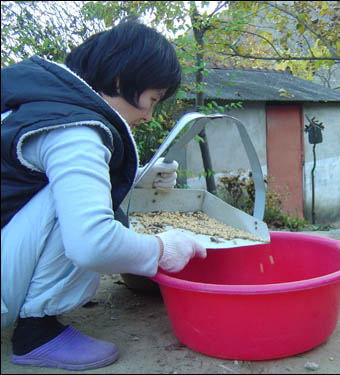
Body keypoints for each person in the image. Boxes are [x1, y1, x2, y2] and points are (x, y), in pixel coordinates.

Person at [1, 19, 207, 370]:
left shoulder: (39, 104)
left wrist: (141, 179)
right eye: (152, 99)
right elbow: (91, 242)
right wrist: (163, 248)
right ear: (119, 80)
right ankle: (37, 332)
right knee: (76, 205)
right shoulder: (75, 130)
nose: (148, 115)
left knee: (79, 194)